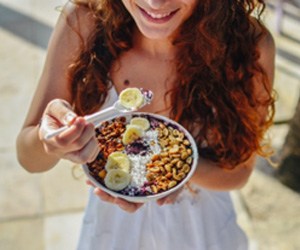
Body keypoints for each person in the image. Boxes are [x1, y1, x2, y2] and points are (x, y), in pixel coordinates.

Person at [16, 0, 276, 249]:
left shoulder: (248, 46)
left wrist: (174, 174)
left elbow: (239, 173)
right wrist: (49, 139)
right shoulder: (84, 22)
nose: (154, 3)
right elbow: (28, 158)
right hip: (112, 231)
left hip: (200, 229)